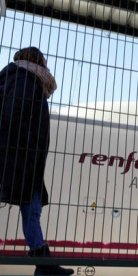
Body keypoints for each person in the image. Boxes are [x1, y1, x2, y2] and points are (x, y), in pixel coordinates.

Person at [0, 47, 74, 275]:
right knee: (31, 209)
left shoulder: (18, 80)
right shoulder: (26, 81)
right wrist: (27, 147)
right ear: (35, 60)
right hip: (21, 159)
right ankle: (44, 265)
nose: (47, 65)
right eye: (44, 60)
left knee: (32, 209)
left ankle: (45, 264)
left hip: (22, 160)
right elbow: (14, 118)